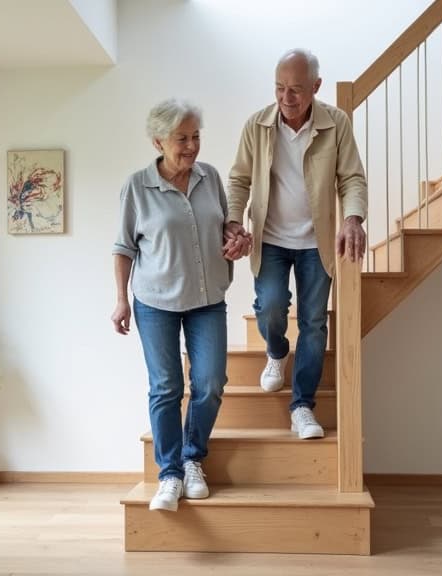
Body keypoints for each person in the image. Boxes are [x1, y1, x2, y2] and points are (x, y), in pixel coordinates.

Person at [112, 99, 251, 512]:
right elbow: (122, 248)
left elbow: (225, 226)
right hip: (155, 303)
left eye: (195, 136)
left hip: (207, 299)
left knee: (209, 384)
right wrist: (120, 299)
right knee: (167, 387)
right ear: (158, 140)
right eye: (181, 138)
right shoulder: (137, 187)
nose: (191, 146)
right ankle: (170, 473)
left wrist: (237, 239)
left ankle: (193, 457)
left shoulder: (209, 177)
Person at [225, 48, 367, 440]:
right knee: (270, 308)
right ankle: (276, 353)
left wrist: (352, 218)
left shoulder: (335, 123)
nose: (287, 98)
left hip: (316, 242)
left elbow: (352, 177)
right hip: (269, 238)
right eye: (280, 88)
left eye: (297, 90)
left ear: (316, 87)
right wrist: (234, 221)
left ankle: (302, 405)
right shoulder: (257, 125)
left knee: (314, 323)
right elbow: (239, 180)